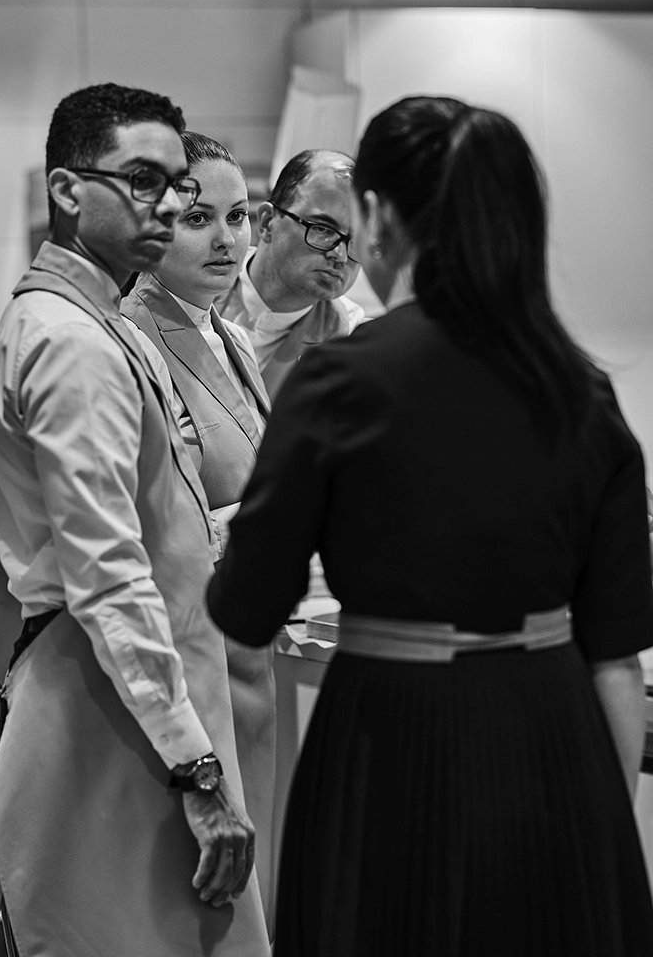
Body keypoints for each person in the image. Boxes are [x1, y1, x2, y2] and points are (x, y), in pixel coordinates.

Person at [207, 96, 653, 956]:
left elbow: (247, 607)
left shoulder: (338, 382)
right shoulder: (582, 391)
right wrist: (602, 828)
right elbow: (616, 660)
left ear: (377, 220)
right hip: (554, 732)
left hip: (388, 734)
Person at [0, 82, 269, 956]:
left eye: (177, 183)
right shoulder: (71, 340)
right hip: (113, 718)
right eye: (144, 180)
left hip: (138, 704)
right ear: (68, 191)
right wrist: (196, 769)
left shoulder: (99, 322)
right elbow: (107, 575)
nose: (169, 205)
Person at [120, 130, 276, 925]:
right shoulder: (127, 335)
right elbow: (138, 522)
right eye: (197, 218)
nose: (225, 239)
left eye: (238, 216)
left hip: (248, 646)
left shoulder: (231, 334)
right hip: (183, 659)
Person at [218, 149, 365, 400]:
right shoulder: (193, 289)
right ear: (267, 222)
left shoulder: (352, 342)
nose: (340, 255)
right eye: (322, 229)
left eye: (356, 240)